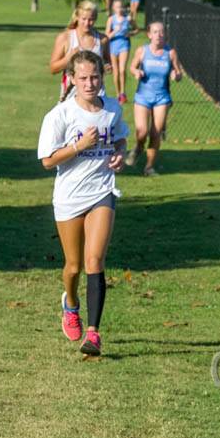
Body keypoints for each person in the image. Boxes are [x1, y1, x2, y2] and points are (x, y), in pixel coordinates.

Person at [37, 50, 129, 357]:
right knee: (73, 266)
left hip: (102, 191)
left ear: (101, 78)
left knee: (95, 261)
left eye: (95, 77)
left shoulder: (112, 109)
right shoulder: (60, 115)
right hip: (68, 196)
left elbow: (120, 139)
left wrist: (119, 154)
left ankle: (94, 333)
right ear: (72, 79)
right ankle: (71, 304)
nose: (90, 83)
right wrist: (78, 145)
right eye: (83, 78)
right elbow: (48, 161)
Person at [126, 21, 183, 176]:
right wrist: (136, 72)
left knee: (156, 133)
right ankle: (138, 147)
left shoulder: (170, 53)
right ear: (149, 35)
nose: (159, 35)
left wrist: (175, 75)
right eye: (155, 32)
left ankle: (149, 167)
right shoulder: (142, 51)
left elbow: (179, 73)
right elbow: (132, 67)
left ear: (165, 34)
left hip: (162, 98)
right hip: (143, 96)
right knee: (142, 132)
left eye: (161, 32)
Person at [49, 1, 109, 100]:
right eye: (84, 19)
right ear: (77, 17)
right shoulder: (65, 37)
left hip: (98, 95)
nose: (87, 23)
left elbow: (107, 62)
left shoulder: (102, 40)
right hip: (70, 96)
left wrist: (107, 66)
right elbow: (53, 68)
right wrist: (68, 58)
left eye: (91, 20)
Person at [105, 0, 134, 104]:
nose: (119, 9)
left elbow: (137, 30)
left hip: (124, 45)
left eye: (121, 6)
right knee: (116, 72)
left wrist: (130, 33)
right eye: (117, 7)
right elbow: (106, 36)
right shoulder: (111, 19)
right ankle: (118, 94)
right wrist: (114, 31)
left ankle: (123, 93)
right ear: (113, 8)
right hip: (113, 45)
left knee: (122, 70)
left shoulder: (128, 19)